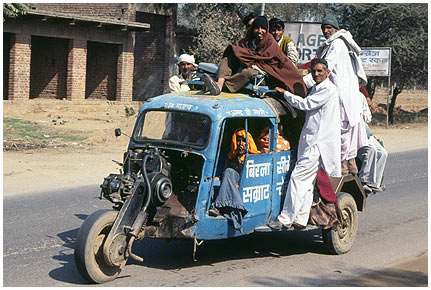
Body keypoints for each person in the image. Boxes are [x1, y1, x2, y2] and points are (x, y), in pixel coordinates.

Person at [269, 58, 341, 230]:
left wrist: (284, 94)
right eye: (313, 71)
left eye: (319, 71)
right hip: (310, 140)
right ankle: (301, 218)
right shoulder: (317, 88)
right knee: (307, 183)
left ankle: (285, 219)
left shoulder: (328, 90)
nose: (316, 74)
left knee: (297, 178)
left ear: (327, 72)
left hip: (317, 144)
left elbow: (305, 104)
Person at [305, 14, 368, 175]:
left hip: (340, 95)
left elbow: (326, 69)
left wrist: (304, 83)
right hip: (349, 94)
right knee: (348, 128)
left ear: (336, 29)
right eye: (324, 28)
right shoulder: (342, 43)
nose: (326, 31)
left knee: (340, 129)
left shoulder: (336, 44)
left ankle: (342, 164)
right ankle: (350, 162)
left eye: (329, 28)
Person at [202, 16, 306, 97]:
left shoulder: (270, 42)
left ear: (267, 30)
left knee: (249, 72)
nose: (260, 31)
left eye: (263, 28)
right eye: (256, 28)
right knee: (227, 59)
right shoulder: (247, 40)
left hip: (265, 73)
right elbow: (238, 50)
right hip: (247, 65)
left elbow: (272, 61)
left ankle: (224, 86)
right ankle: (219, 84)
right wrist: (245, 58)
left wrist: (254, 63)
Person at [209, 129, 261, 231]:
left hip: (243, 184)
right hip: (229, 183)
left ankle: (219, 206)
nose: (241, 144)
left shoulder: (255, 156)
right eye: (238, 141)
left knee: (229, 171)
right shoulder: (229, 155)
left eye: (244, 141)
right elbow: (220, 169)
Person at [357, 91, 388, 194]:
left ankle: (375, 183)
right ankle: (364, 180)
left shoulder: (360, 97)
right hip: (355, 133)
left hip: (365, 131)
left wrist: (363, 117)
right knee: (371, 150)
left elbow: (368, 115)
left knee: (383, 153)